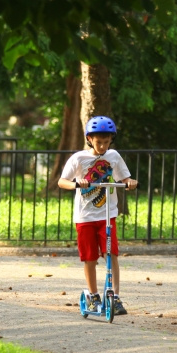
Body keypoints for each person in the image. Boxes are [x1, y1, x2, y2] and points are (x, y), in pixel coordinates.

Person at [57, 115, 138, 315]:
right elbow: (62, 181)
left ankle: (115, 297)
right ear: (89, 139)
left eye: (106, 142)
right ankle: (93, 296)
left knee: (112, 254)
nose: (102, 146)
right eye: (99, 142)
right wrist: (77, 183)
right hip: (85, 217)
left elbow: (125, 178)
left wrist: (130, 182)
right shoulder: (78, 158)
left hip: (107, 215)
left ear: (111, 140)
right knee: (90, 257)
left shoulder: (114, 156)